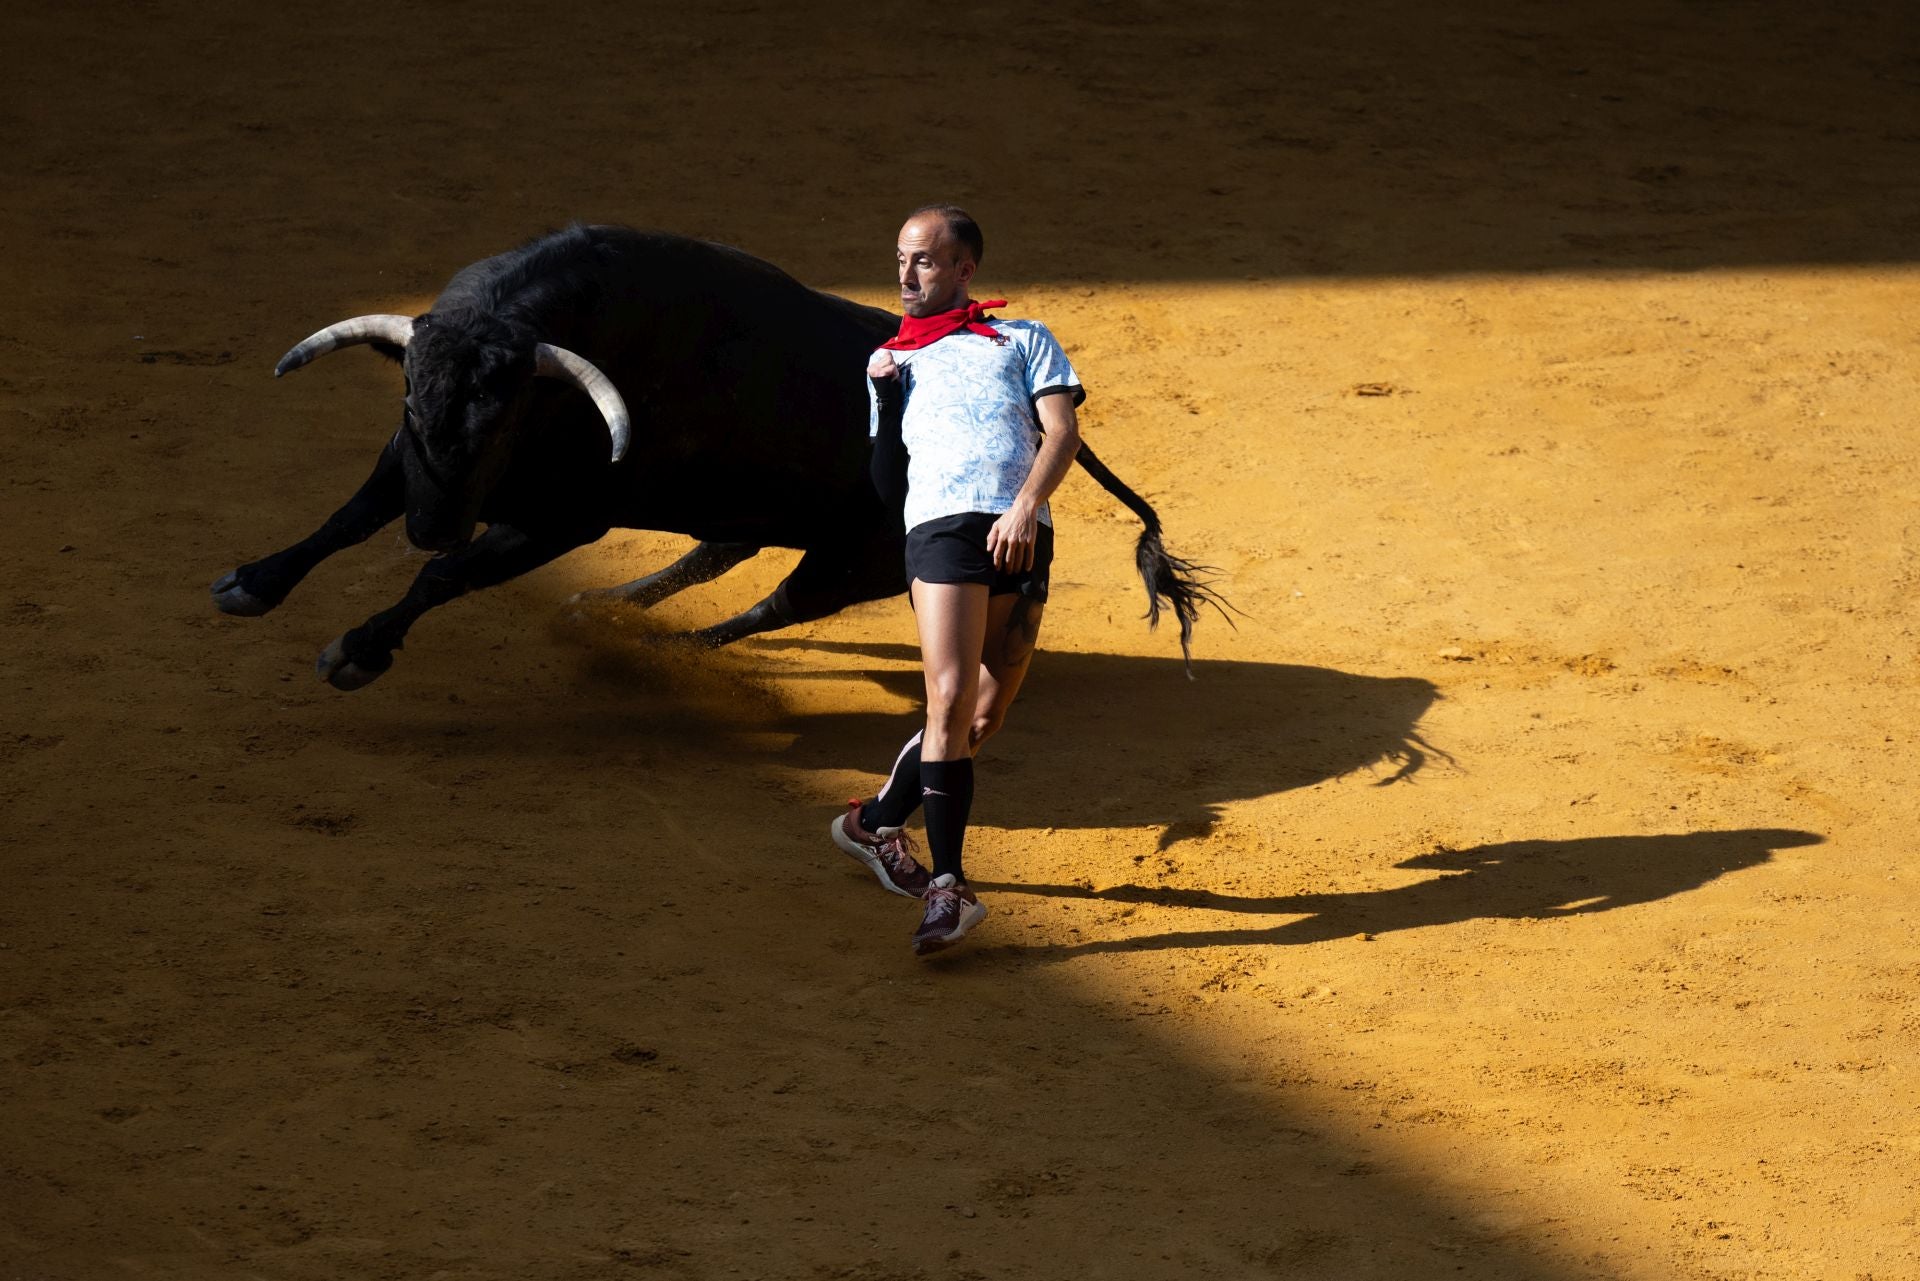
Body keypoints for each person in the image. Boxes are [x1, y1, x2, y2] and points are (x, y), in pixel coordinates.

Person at [829, 203, 1085, 956]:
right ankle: (950, 888)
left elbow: (1063, 432)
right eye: (902, 260)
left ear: (964, 270)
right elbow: (886, 483)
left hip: (1017, 531)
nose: (907, 275)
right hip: (938, 529)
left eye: (926, 262)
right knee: (945, 696)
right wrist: (881, 392)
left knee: (981, 716)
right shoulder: (895, 360)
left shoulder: (1022, 337)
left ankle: (873, 822)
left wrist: (1026, 507)